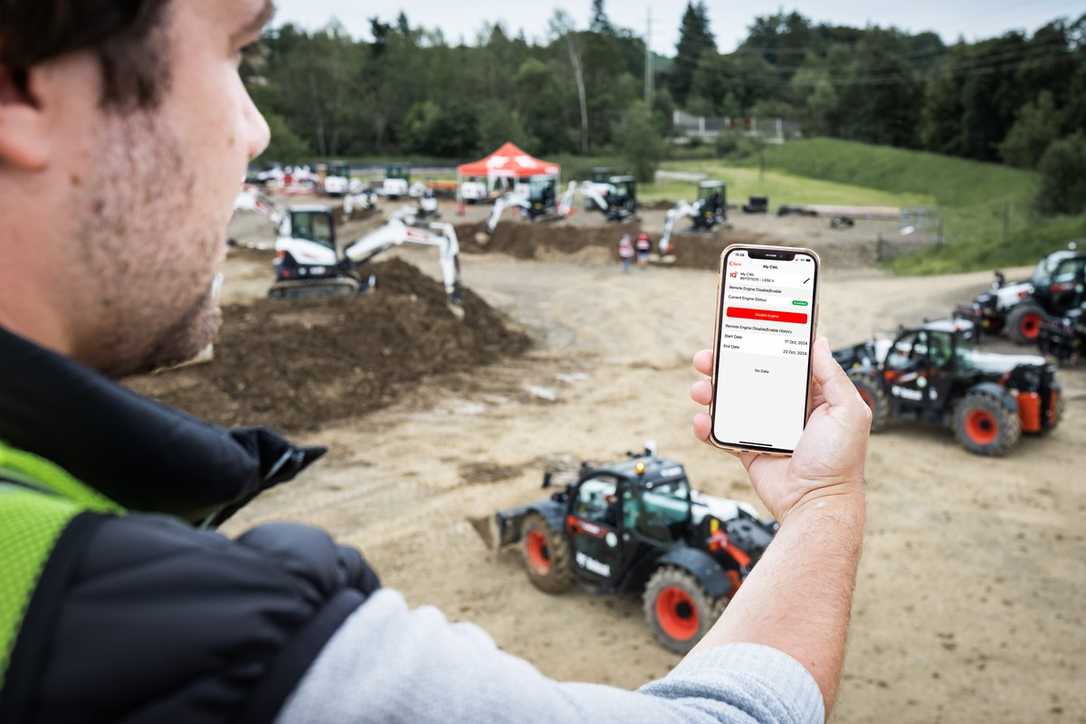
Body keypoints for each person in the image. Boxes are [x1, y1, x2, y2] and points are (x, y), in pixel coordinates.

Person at [0, 3, 870, 723]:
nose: (256, 130)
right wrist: (825, 504)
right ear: (21, 89)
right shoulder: (219, 650)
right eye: (235, 53)